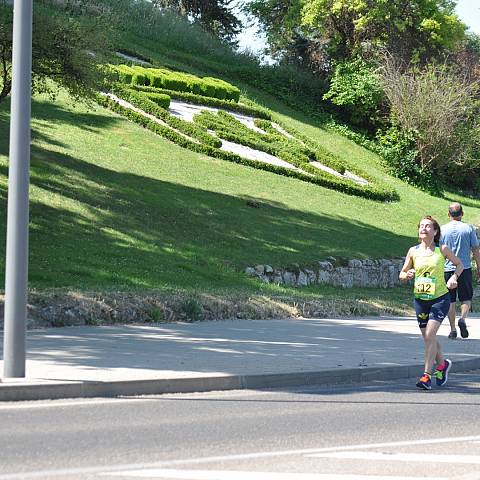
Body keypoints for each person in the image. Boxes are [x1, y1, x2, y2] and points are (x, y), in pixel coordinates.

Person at [400, 216, 463, 390]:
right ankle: (442, 365)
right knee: (429, 338)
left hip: (440, 299)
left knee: (429, 335)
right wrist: (408, 275)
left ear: (435, 231)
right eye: (421, 226)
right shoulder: (413, 251)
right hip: (420, 300)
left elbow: (459, 264)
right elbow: (402, 274)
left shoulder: (441, 249)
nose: (424, 229)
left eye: (428, 226)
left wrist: (454, 277)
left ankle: (426, 376)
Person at [441, 202, 480, 340]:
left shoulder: (442, 229)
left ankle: (452, 329)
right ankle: (462, 319)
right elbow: (475, 249)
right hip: (465, 268)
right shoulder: (468, 229)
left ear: (448, 214)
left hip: (447, 269)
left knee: (450, 300)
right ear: (462, 214)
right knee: (466, 297)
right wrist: (479, 267)